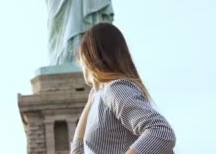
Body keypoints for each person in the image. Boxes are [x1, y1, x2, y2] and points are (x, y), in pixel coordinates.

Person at [71, 22, 176, 154]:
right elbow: (77, 151)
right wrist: (90, 103)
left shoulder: (115, 89)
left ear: (88, 56)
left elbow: (161, 131)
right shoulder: (100, 98)